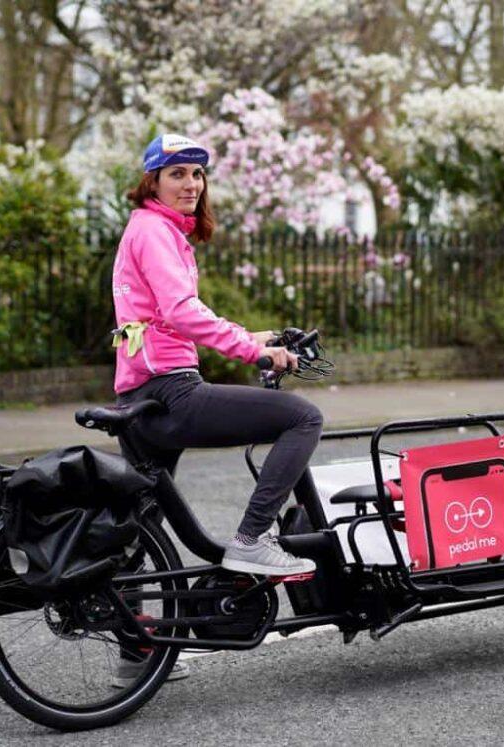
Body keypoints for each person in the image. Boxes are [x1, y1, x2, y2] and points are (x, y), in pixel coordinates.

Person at [112, 133, 323, 578]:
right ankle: (252, 541)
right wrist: (253, 351)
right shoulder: (154, 231)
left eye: (197, 174)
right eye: (177, 174)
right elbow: (181, 311)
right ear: (153, 182)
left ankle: (137, 639)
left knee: (136, 525)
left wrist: (258, 336)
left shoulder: (152, 229)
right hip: (170, 390)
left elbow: (164, 318)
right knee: (303, 418)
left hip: (140, 395)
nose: (191, 184)